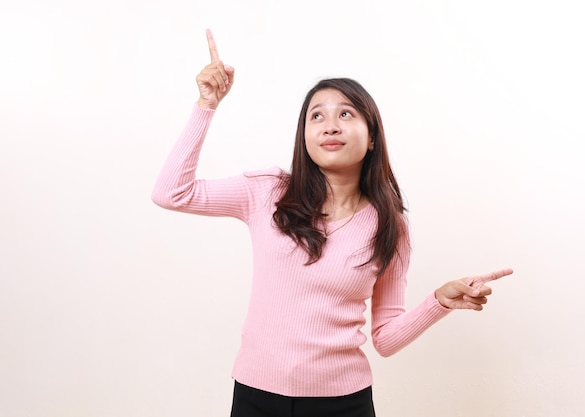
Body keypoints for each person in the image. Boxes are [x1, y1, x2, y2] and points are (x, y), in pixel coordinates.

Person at [151, 28, 514, 417]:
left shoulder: (390, 226)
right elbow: (171, 192)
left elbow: (386, 338)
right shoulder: (268, 192)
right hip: (255, 397)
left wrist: (438, 302)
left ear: (371, 136)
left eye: (346, 113)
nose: (330, 125)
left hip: (342, 405)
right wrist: (207, 105)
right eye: (317, 116)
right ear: (304, 135)